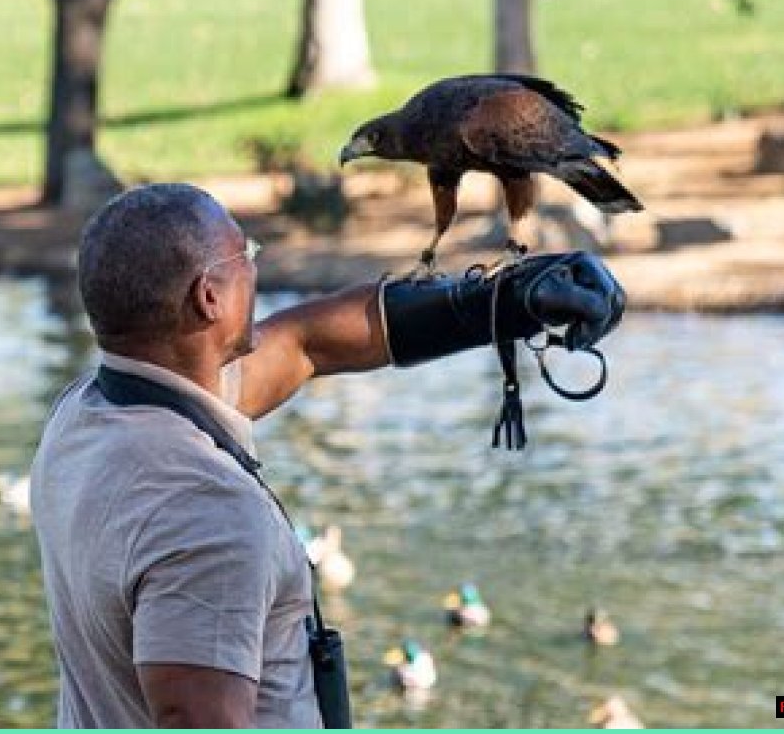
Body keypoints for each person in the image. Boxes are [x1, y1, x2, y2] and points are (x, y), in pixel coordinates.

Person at [30, 182, 626, 728]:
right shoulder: (208, 512)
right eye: (245, 256)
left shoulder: (86, 415)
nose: (255, 268)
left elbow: (306, 344)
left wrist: (499, 302)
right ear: (209, 297)